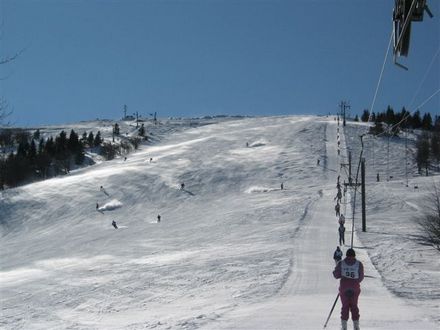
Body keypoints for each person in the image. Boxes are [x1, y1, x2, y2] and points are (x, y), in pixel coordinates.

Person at [333, 248, 364, 330]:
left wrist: (340, 275)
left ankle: (344, 327)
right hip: (355, 288)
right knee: (354, 306)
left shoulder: (341, 263)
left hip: (344, 288)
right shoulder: (359, 264)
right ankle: (356, 326)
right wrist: (355, 281)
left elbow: (336, 275)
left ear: (346, 255)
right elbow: (361, 277)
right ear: (354, 255)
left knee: (345, 306)